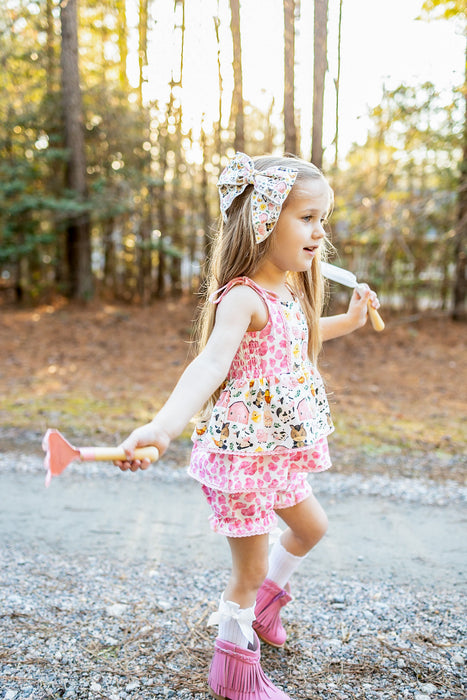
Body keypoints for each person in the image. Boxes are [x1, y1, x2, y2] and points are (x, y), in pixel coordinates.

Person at [115, 152, 380, 700]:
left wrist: (351, 321)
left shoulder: (288, 290)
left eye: (322, 220)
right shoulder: (242, 295)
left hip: (276, 453)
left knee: (311, 529)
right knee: (249, 568)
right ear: (264, 218)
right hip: (241, 459)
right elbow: (209, 364)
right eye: (307, 218)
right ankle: (234, 673)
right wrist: (163, 427)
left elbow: (297, 338)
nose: (319, 233)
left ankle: (262, 611)